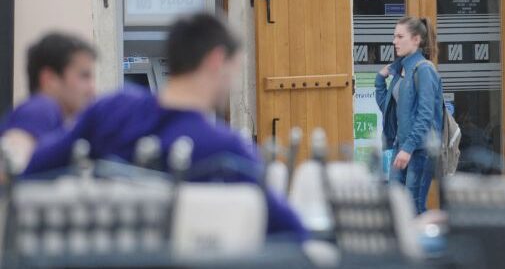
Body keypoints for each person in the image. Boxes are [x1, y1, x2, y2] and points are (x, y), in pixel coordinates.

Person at [25, 13, 307, 241]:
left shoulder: (110, 109)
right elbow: (293, 234)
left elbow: (33, 170)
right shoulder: (226, 150)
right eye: (236, 68)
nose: (234, 82)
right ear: (217, 60)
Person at [375, 16, 444, 214]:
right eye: (394, 36)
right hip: (402, 147)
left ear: (416, 40)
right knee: (396, 206)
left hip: (420, 150)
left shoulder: (424, 70)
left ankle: (426, 235)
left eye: (400, 37)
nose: (394, 41)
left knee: (414, 209)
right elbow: (388, 109)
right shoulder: (401, 71)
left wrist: (408, 148)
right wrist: (379, 80)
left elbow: (426, 115)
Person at [0, 33, 96, 171]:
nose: (92, 88)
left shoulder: (56, 118)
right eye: (84, 76)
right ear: (50, 79)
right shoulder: (42, 108)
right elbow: (9, 163)